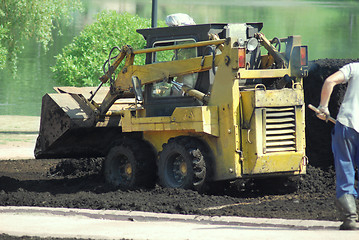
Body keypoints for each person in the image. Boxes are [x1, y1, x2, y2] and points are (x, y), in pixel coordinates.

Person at [316, 62, 359, 230]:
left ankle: (350, 218)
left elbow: (329, 81)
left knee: (345, 168)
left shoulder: (355, 68)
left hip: (347, 125)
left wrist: (323, 107)